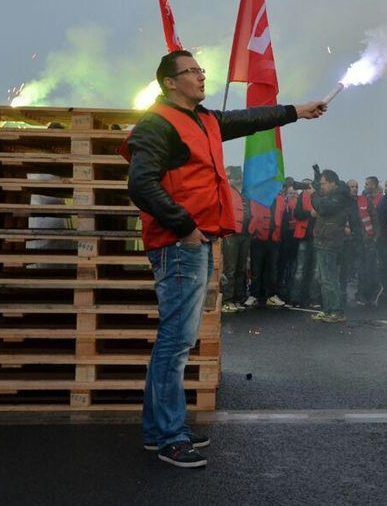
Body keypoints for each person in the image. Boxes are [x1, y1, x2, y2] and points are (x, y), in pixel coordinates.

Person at [124, 49, 326, 468]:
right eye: (191, 71)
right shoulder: (157, 124)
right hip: (179, 246)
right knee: (176, 342)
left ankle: (156, 430)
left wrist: (297, 111)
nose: (201, 76)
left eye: (201, 69)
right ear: (169, 82)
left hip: (192, 242)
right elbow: (141, 184)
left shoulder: (206, 121)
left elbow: (250, 119)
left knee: (174, 340)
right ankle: (170, 437)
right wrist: (184, 225)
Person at [309, 168, 361, 323]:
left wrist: (313, 193)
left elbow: (323, 208)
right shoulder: (334, 195)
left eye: (324, 183)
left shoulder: (340, 196)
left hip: (330, 242)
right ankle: (328, 310)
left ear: (333, 183)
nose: (321, 186)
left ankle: (337, 312)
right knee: (325, 280)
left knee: (329, 279)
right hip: (323, 240)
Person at [245, 184, 285, 308]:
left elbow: (284, 218)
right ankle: (254, 295)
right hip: (258, 238)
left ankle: (271, 296)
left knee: (272, 269)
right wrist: (252, 232)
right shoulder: (257, 197)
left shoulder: (280, 199)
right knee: (256, 269)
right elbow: (250, 215)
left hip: (274, 239)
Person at [220, 167, 249, 313]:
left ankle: (238, 299)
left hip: (244, 234)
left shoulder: (244, 193)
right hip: (231, 234)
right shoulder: (225, 191)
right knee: (230, 268)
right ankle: (226, 300)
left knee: (240, 268)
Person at [355, 176, 384, 306]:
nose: (364, 187)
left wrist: (375, 238)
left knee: (368, 268)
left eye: (367, 184)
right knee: (361, 269)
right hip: (357, 241)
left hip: (368, 240)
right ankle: (362, 294)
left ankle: (369, 293)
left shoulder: (368, 200)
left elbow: (375, 219)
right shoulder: (358, 200)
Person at [291, 176, 318, 308]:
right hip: (305, 237)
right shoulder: (302, 196)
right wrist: (310, 213)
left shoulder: (320, 195)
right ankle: (296, 297)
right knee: (301, 269)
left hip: (317, 237)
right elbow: (297, 213)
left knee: (315, 270)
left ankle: (313, 298)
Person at [274, 178, 299, 302]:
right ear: (286, 195)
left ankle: (290, 291)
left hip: (295, 242)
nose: (293, 195)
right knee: (282, 267)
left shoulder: (298, 207)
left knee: (293, 268)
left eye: (295, 193)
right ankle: (280, 290)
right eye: (291, 193)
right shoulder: (283, 207)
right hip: (283, 242)